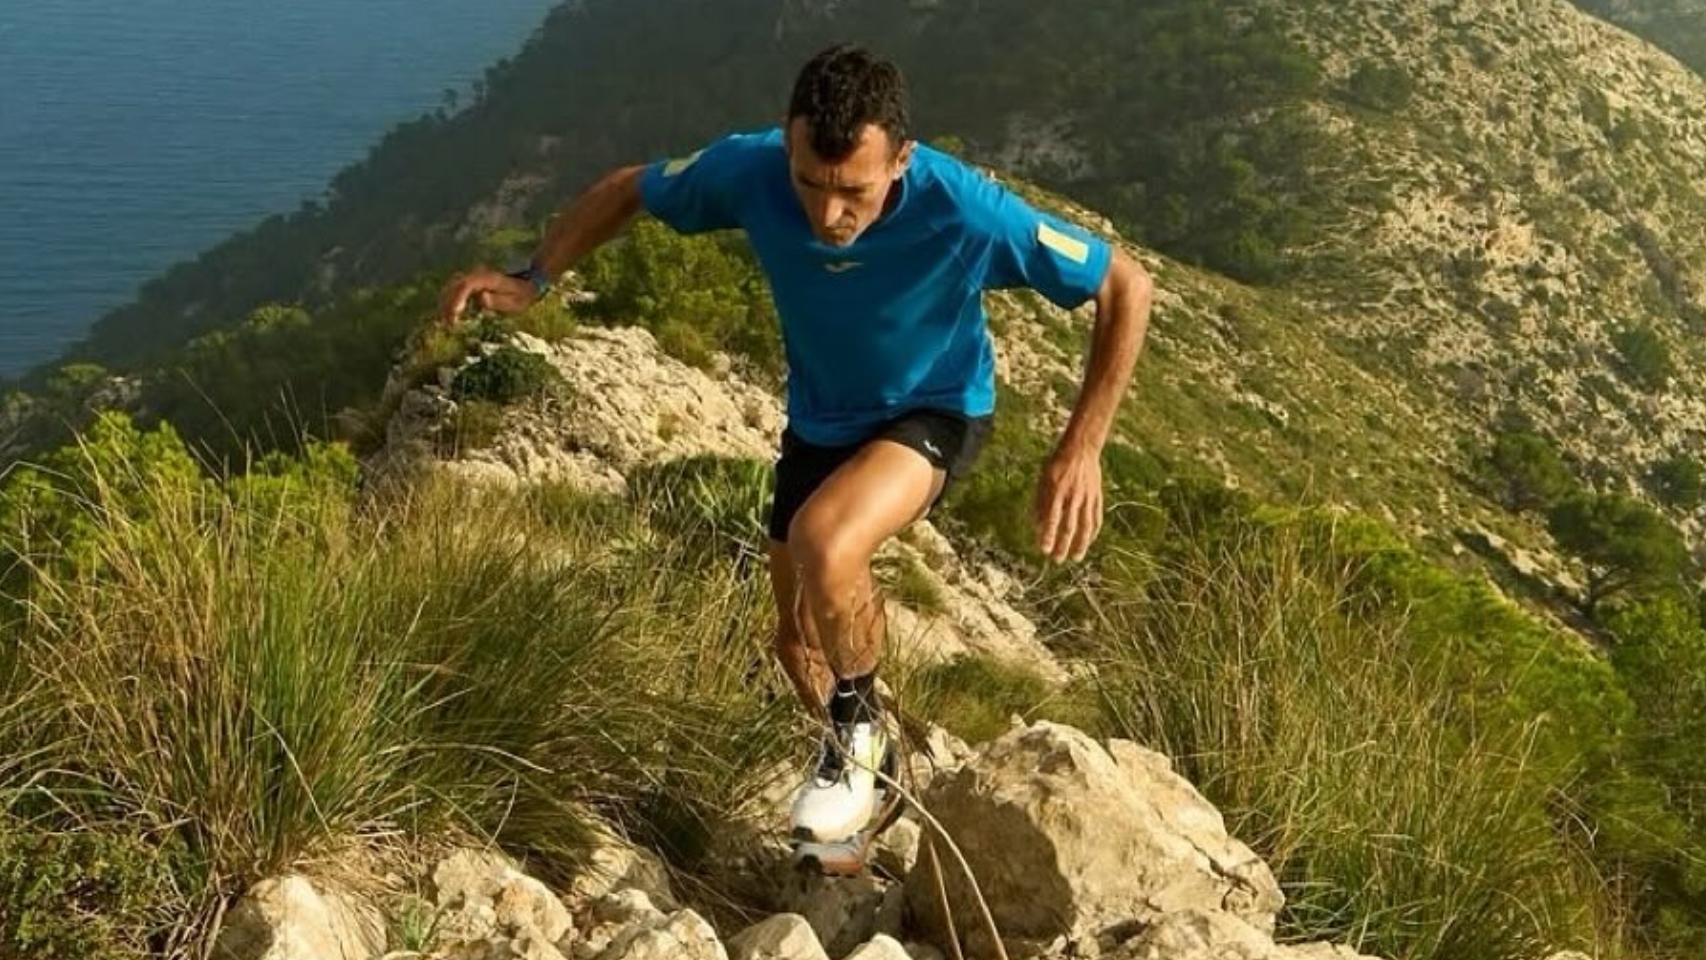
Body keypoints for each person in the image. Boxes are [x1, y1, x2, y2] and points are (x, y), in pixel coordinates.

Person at [439, 43, 1153, 868]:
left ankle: (855, 746)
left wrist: (1081, 447)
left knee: (828, 542)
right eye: (811, 183)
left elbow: (1124, 285)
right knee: (795, 639)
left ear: (902, 162)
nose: (827, 212)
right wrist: (536, 276)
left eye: (854, 190)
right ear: (788, 146)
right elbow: (631, 186)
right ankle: (862, 806)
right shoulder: (750, 171)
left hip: (936, 412)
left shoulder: (963, 208)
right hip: (820, 422)